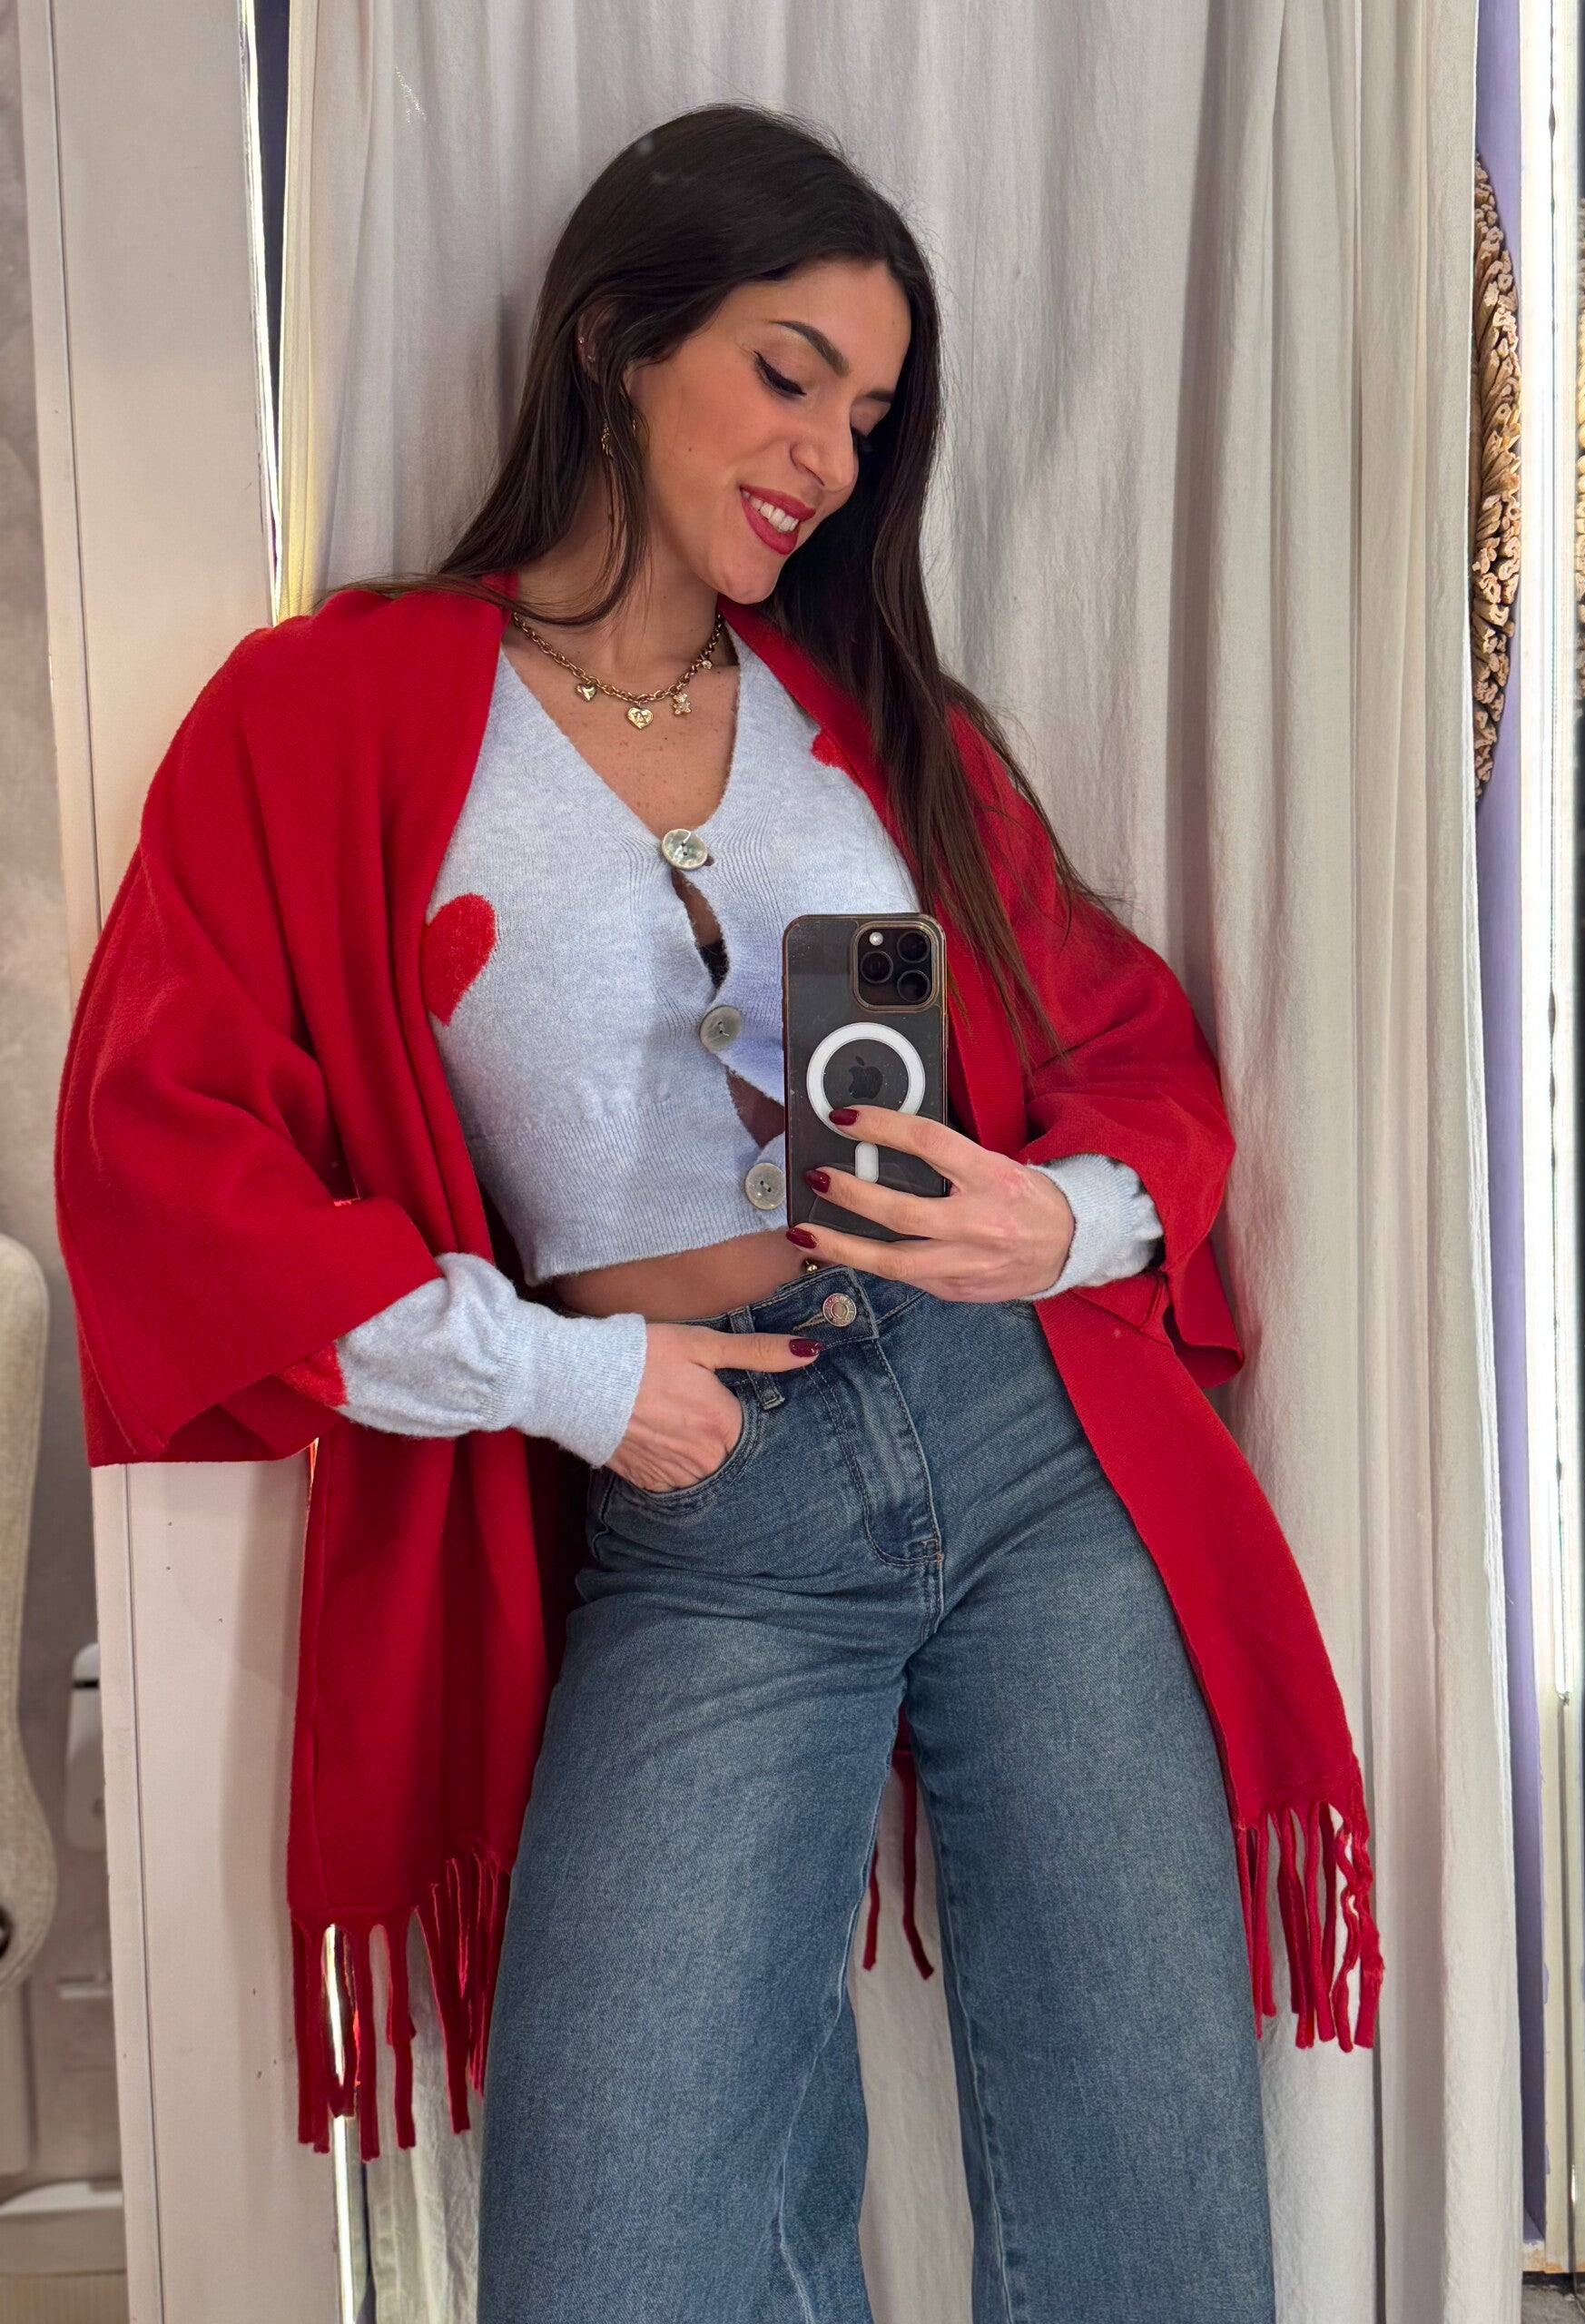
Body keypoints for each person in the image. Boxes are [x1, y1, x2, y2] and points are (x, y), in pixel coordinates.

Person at [54, 102, 1382, 2324]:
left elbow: (1129, 1043)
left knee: (1148, 2213)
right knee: (613, 2254)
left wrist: (1051, 1225)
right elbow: (159, 1157)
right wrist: (567, 1377)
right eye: (788, 374)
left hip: (1032, 1460)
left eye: (868, 414)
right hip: (710, 1503)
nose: (830, 458)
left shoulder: (867, 713)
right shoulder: (337, 708)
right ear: (614, 338)